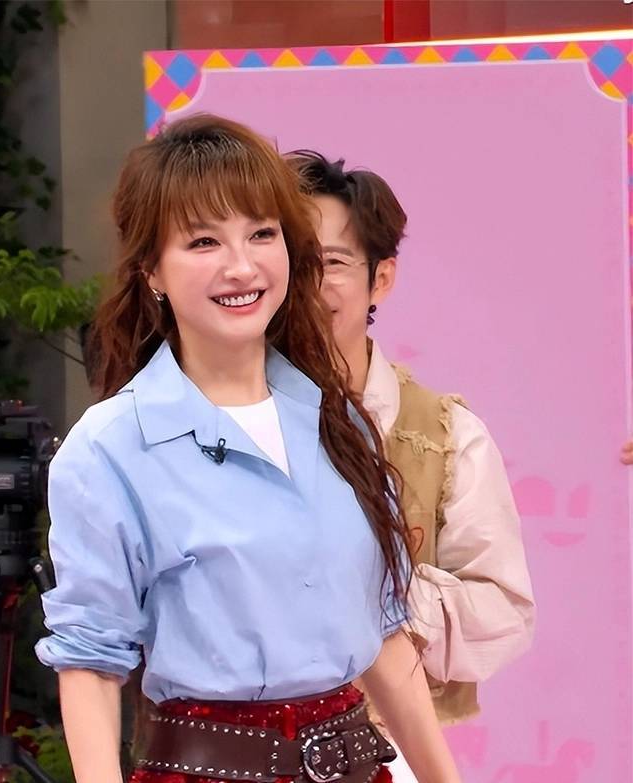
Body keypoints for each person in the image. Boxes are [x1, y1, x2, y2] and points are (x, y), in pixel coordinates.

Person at [36, 115, 462, 783]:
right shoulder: (109, 449)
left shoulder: (337, 417)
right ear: (151, 269)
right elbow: (91, 662)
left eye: (262, 233)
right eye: (203, 241)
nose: (241, 266)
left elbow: (383, 633)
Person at [289, 151, 535, 781]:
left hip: (390, 744)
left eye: (332, 263)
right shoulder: (211, 420)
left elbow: (505, 613)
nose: (308, 285)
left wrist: (386, 594)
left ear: (382, 278)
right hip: (239, 745)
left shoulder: (446, 435)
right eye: (292, 260)